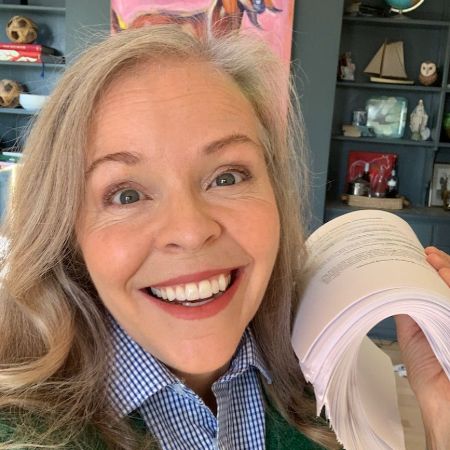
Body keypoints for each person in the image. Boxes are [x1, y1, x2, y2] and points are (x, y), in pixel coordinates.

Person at [0, 25, 448, 450]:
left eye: (227, 177)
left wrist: (441, 414)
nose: (191, 231)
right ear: (67, 232)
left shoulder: (329, 375)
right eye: (127, 195)